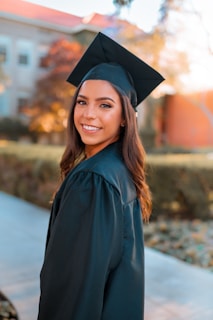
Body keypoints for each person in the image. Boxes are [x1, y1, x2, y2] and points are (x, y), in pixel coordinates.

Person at [37, 32, 164, 320]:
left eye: (105, 105)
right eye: (82, 102)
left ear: (124, 117)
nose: (88, 114)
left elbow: (76, 289)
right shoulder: (120, 169)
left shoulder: (93, 180)